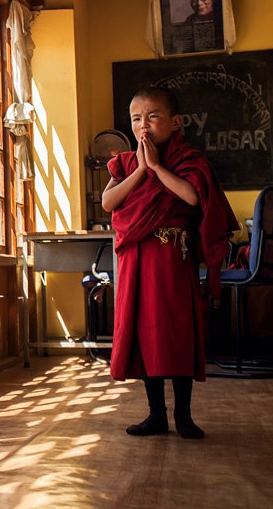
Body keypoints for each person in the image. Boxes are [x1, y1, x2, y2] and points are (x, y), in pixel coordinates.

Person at [101, 86, 236, 439]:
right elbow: (108, 202)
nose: (143, 126)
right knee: (145, 336)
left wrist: (157, 168)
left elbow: (192, 197)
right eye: (136, 119)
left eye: (153, 117)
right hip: (137, 258)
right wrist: (141, 171)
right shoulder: (126, 162)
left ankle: (185, 416)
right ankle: (156, 414)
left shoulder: (189, 159)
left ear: (175, 122)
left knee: (175, 333)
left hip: (173, 258)